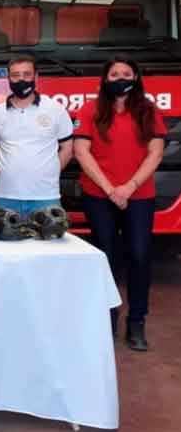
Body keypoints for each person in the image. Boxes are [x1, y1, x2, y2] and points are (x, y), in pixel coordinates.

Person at [74, 55, 166, 351]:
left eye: (126, 73)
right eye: (114, 74)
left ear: (136, 78)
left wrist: (129, 187)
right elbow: (82, 151)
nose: (120, 79)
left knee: (139, 256)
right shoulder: (90, 109)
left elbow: (156, 153)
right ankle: (107, 318)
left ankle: (136, 321)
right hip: (99, 195)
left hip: (139, 195)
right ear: (104, 79)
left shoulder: (148, 110)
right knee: (106, 257)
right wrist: (110, 188)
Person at [0, 55, 73, 218]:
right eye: (15, 75)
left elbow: (67, 148)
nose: (21, 80)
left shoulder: (55, 109)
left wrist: (49, 171)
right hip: (6, 197)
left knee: (47, 243)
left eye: (27, 74)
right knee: (6, 243)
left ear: (36, 76)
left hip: (45, 198)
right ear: (8, 78)